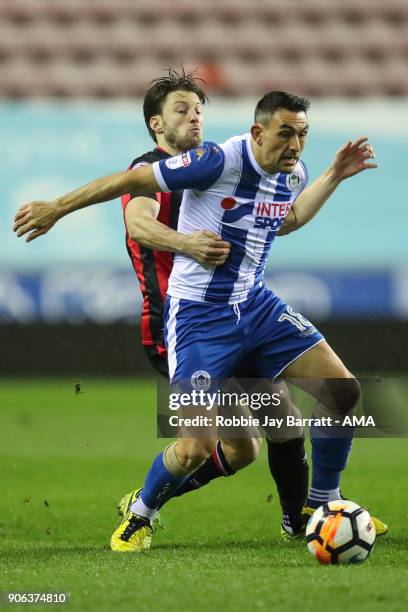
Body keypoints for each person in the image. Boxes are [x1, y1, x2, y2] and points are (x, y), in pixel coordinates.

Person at [14, 88, 388, 552]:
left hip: (256, 305)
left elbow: (285, 219)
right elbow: (129, 191)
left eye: (303, 135)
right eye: (286, 133)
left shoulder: (294, 172)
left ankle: (323, 506)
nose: (295, 145)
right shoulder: (214, 162)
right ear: (258, 131)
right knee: (199, 446)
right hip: (198, 318)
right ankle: (141, 511)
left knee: (341, 391)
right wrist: (57, 207)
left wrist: (332, 174)